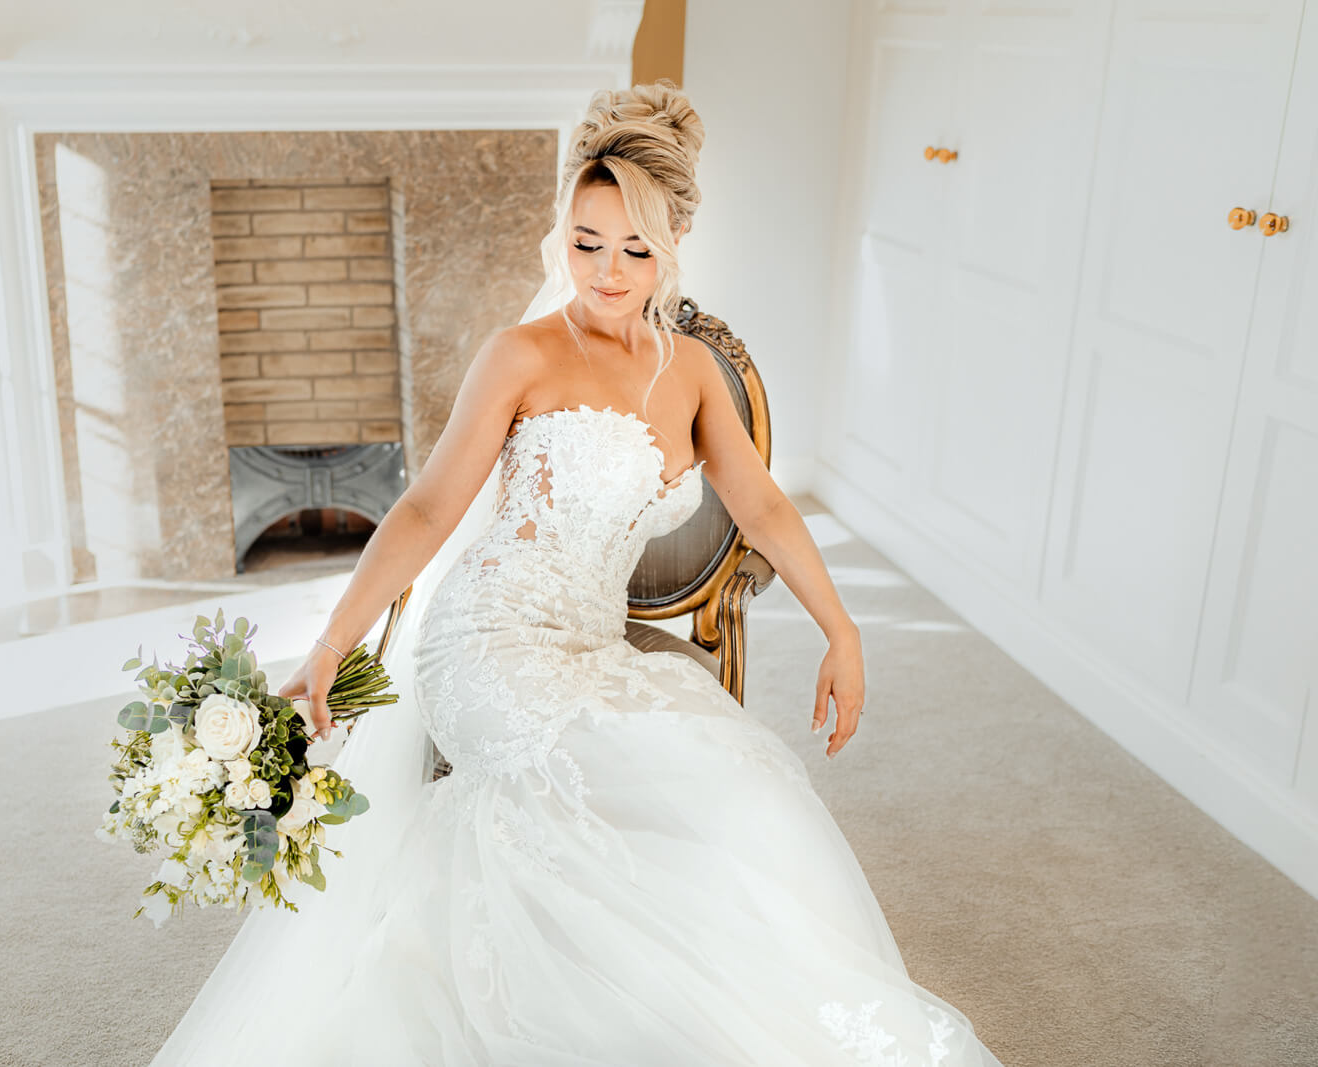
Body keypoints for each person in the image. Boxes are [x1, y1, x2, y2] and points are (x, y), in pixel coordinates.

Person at [149, 80, 1005, 1066]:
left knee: (743, 792)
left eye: (634, 249)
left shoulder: (688, 372)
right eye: (586, 241)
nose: (604, 270)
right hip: (488, 639)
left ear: (674, 241)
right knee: (582, 797)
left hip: (590, 649)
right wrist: (336, 634)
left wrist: (841, 629)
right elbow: (429, 505)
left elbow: (762, 504)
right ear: (563, 232)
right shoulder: (519, 353)